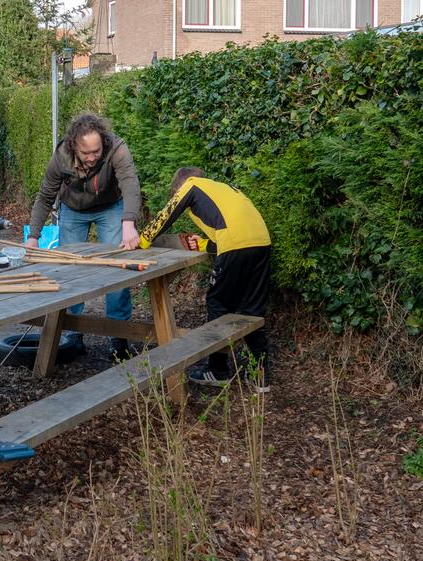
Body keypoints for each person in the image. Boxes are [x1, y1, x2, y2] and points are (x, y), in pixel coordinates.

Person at [138, 167, 272, 392]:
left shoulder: (191, 185)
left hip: (235, 245)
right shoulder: (226, 189)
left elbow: (166, 215)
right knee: (253, 310)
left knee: (217, 303)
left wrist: (142, 240)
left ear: (178, 187)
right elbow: (232, 232)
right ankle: (260, 377)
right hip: (262, 243)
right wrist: (201, 244)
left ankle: (218, 371)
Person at [25, 113, 144, 360]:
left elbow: (130, 185)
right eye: (86, 153)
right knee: (71, 270)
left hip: (111, 207)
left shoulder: (117, 149)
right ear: (74, 146)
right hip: (73, 210)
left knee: (117, 269)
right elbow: (45, 195)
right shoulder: (61, 156)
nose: (92, 157)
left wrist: (129, 222)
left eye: (96, 151)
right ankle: (73, 337)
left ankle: (118, 339)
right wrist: (33, 236)